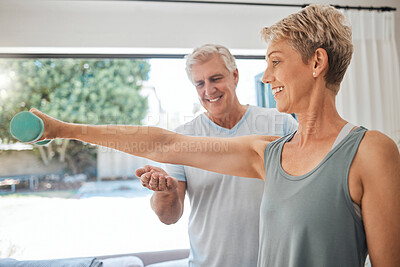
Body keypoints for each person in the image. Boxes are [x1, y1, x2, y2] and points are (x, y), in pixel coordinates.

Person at [28, 4, 399, 267]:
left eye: (275, 62)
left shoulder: (371, 152)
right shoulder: (269, 154)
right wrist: (64, 129)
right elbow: (165, 144)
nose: (267, 77)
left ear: (317, 63)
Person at [135, 44, 298, 267]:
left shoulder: (281, 125)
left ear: (235, 76)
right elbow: (169, 216)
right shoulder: (183, 139)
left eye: (216, 78)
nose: (208, 90)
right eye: (199, 83)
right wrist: (165, 191)